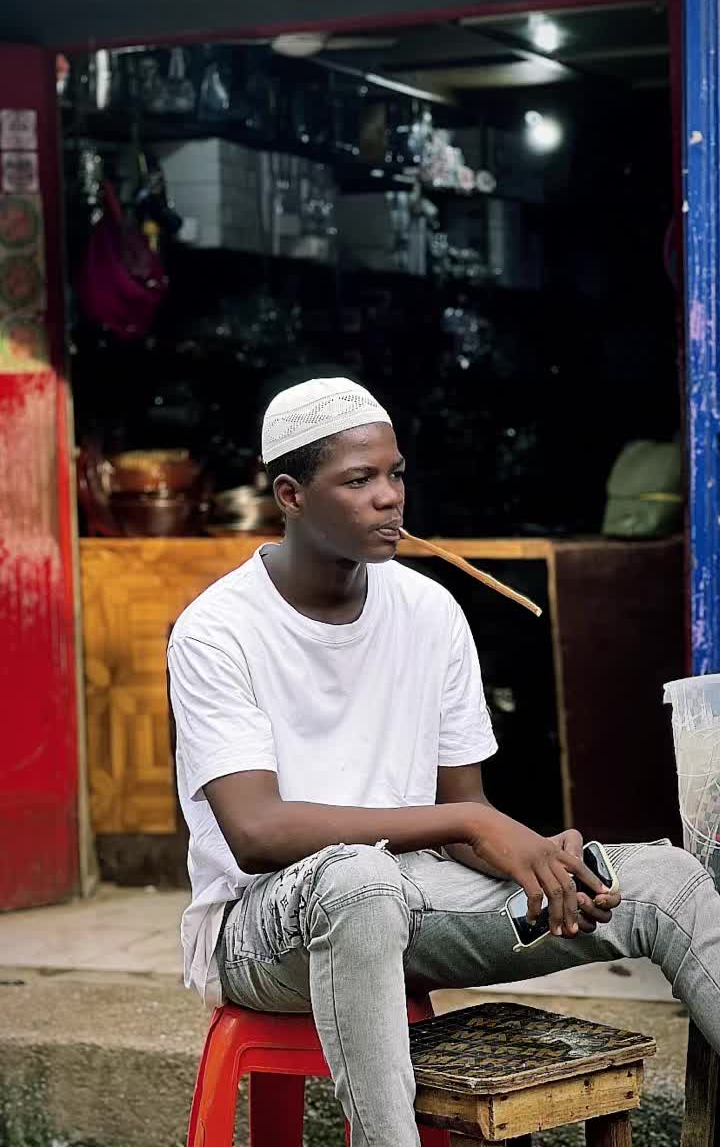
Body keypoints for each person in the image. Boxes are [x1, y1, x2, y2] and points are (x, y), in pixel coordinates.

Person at [169, 377, 720, 1147]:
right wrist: (467, 821)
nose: (389, 497)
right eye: (358, 480)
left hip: (411, 901)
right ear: (290, 495)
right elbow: (255, 833)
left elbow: (466, 815)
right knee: (358, 881)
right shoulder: (215, 631)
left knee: (665, 880)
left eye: (395, 474)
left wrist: (531, 855)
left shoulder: (429, 611)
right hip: (259, 933)